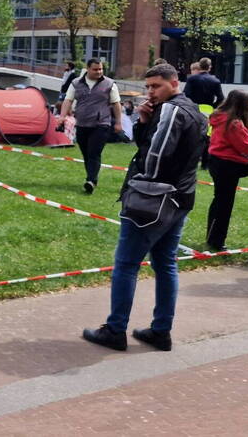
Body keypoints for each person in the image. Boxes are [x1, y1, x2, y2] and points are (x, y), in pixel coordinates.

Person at [83, 63, 206, 352]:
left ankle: (115, 330)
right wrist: (143, 121)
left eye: (156, 86)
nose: (150, 92)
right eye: (148, 87)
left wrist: (141, 182)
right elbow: (153, 144)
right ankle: (161, 330)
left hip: (152, 199)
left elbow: (155, 155)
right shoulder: (195, 111)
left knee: (126, 265)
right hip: (180, 196)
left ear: (174, 82)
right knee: (165, 264)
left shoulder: (172, 110)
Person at [205, 90, 248, 251]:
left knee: (219, 200)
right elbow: (245, 146)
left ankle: (212, 237)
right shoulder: (234, 123)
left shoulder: (218, 116)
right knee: (224, 203)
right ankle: (217, 241)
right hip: (228, 165)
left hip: (216, 162)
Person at [58, 59, 123, 194]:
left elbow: (116, 104)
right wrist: (62, 116)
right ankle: (92, 179)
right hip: (82, 124)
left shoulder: (110, 84)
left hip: (101, 124)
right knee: (86, 154)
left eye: (100, 69)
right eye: (95, 69)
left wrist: (118, 122)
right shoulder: (76, 83)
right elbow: (68, 100)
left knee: (94, 152)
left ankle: (91, 180)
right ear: (87, 69)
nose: (99, 72)